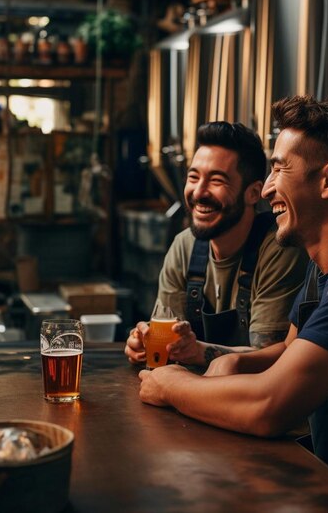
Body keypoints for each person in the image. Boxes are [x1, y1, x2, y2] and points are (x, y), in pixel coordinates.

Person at [139, 96, 328, 513]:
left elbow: (270, 407)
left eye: (279, 168)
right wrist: (238, 361)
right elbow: (290, 349)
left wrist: (172, 383)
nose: (266, 189)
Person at [125, 121, 308, 368]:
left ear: (253, 193)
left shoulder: (278, 247)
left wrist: (199, 351)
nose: (199, 192)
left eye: (217, 180)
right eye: (193, 177)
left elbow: (271, 356)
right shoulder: (184, 246)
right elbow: (170, 339)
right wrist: (146, 342)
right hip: (193, 393)